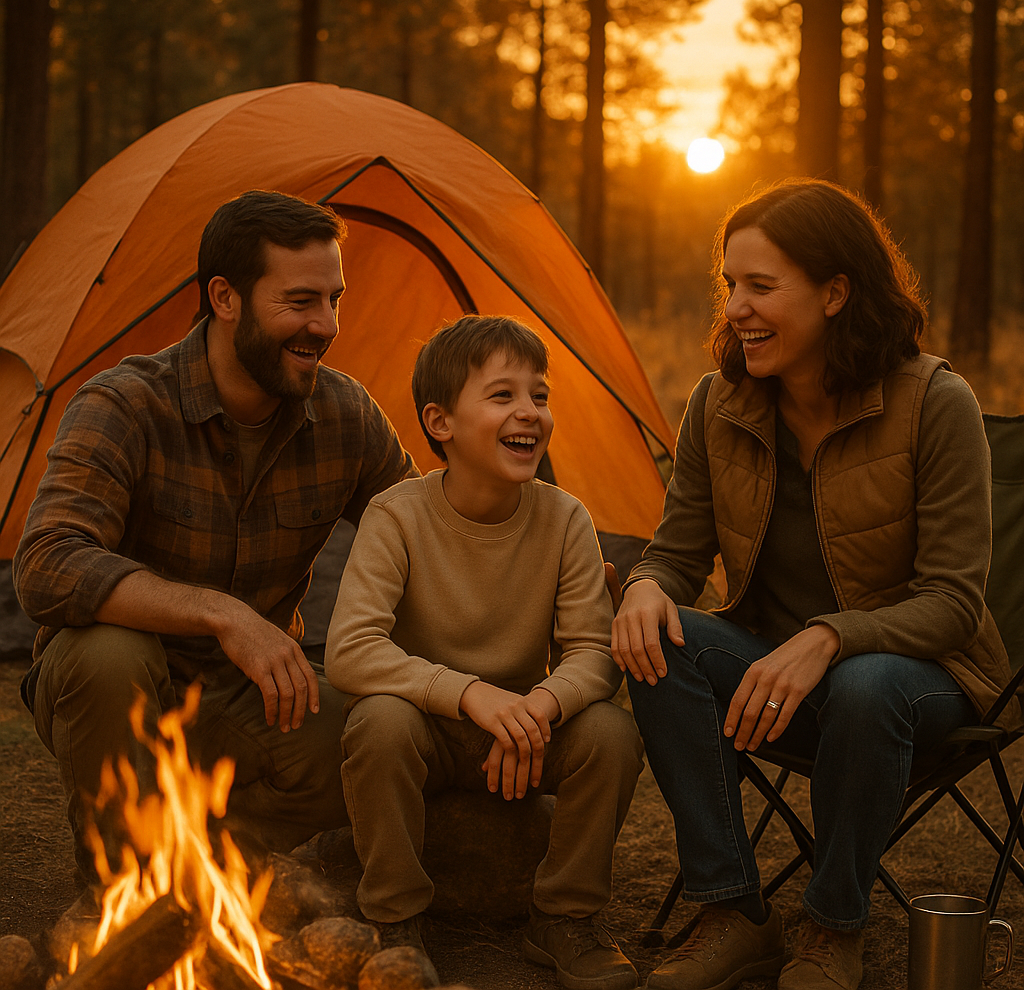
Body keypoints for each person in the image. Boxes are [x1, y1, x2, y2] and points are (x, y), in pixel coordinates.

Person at [612, 179, 1020, 990]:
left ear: (836, 293)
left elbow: (951, 601)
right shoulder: (717, 404)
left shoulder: (933, 403)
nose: (736, 309)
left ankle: (835, 926)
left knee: (868, 685)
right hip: (774, 673)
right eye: (731, 286)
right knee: (664, 639)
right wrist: (647, 585)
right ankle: (732, 911)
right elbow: (677, 551)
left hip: (925, 683)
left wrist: (830, 636)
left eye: (761, 287)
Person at [14, 189, 417, 879]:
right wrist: (222, 613)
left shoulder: (346, 415)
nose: (325, 326)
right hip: (122, 693)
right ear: (225, 298)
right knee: (106, 654)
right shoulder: (124, 403)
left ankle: (205, 863)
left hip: (252, 700)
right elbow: (47, 564)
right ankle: (120, 883)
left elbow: (424, 532)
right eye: (300, 302)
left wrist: (559, 566)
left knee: (376, 737)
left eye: (334, 300)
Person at [325, 314, 645, 990]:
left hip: (526, 730)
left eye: (539, 395)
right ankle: (396, 920)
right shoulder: (397, 514)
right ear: (440, 423)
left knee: (611, 734)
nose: (529, 412)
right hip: (430, 728)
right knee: (377, 723)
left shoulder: (566, 520)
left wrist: (542, 705)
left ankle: (563, 918)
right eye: (503, 396)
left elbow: (593, 652)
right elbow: (351, 650)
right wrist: (471, 695)